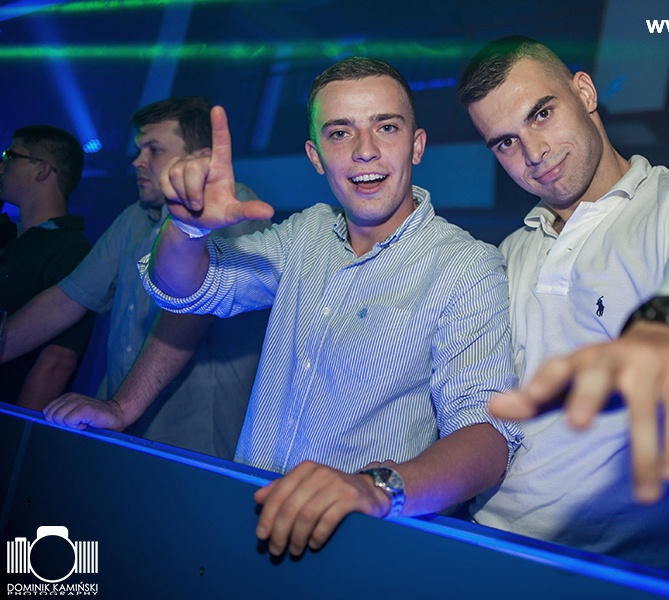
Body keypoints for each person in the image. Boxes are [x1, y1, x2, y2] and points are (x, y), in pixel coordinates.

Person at [138, 57, 522, 556]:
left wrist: (374, 487)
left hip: (362, 549)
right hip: (247, 521)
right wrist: (187, 228)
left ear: (416, 145)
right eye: (340, 133)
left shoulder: (465, 266)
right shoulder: (306, 233)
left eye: (386, 127)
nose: (365, 150)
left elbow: (489, 436)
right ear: (316, 156)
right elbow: (185, 288)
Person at [457, 36, 669, 578]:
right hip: (488, 555)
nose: (533, 153)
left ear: (584, 92)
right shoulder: (507, 255)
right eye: (506, 142)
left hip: (628, 574)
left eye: (541, 114)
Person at [1, 98, 269, 459]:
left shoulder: (229, 207)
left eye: (154, 150)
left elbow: (190, 313)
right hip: (122, 431)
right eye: (139, 149)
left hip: (191, 444)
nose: (137, 161)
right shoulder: (134, 217)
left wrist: (120, 406)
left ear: (201, 158)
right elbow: (67, 299)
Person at [0, 125, 94, 409]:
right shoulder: (12, 238)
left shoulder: (71, 250)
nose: (2, 166)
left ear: (42, 170)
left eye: (9, 156)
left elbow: (58, 360)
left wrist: (19, 430)